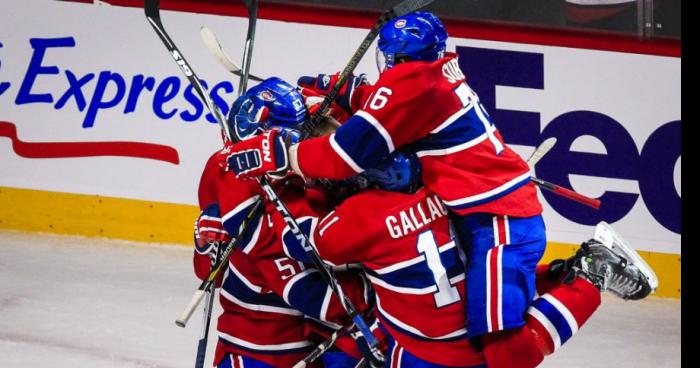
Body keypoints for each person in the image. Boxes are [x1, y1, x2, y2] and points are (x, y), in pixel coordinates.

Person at [219, 10, 656, 368]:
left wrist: (283, 157)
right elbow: (378, 110)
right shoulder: (433, 76)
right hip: (483, 211)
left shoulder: (405, 97)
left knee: (507, 354)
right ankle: (565, 275)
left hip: (498, 220)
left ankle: (589, 275)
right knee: (470, 305)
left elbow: (340, 159)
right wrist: (336, 90)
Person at [193, 77, 377, 368]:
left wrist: (330, 98)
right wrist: (204, 241)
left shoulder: (296, 184)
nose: (301, 144)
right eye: (295, 138)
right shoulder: (231, 176)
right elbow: (211, 272)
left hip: (307, 340)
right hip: (256, 349)